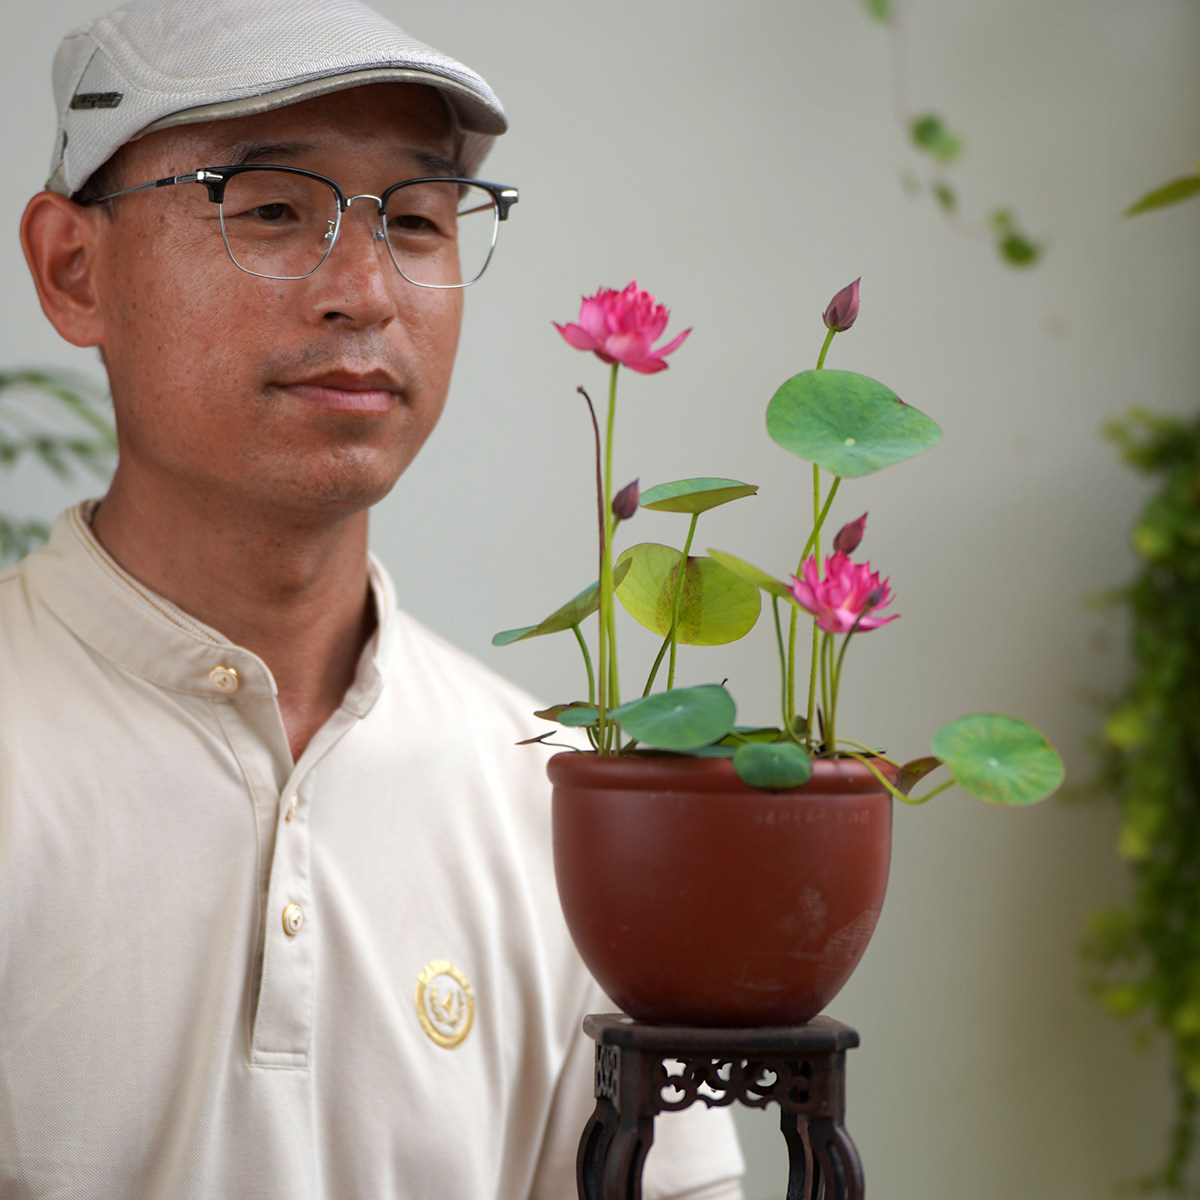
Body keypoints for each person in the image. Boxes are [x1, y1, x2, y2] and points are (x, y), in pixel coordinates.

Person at [0, 0, 746, 1196]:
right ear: (72, 269)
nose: (363, 290)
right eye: (270, 209)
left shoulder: (560, 803)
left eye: (414, 219)